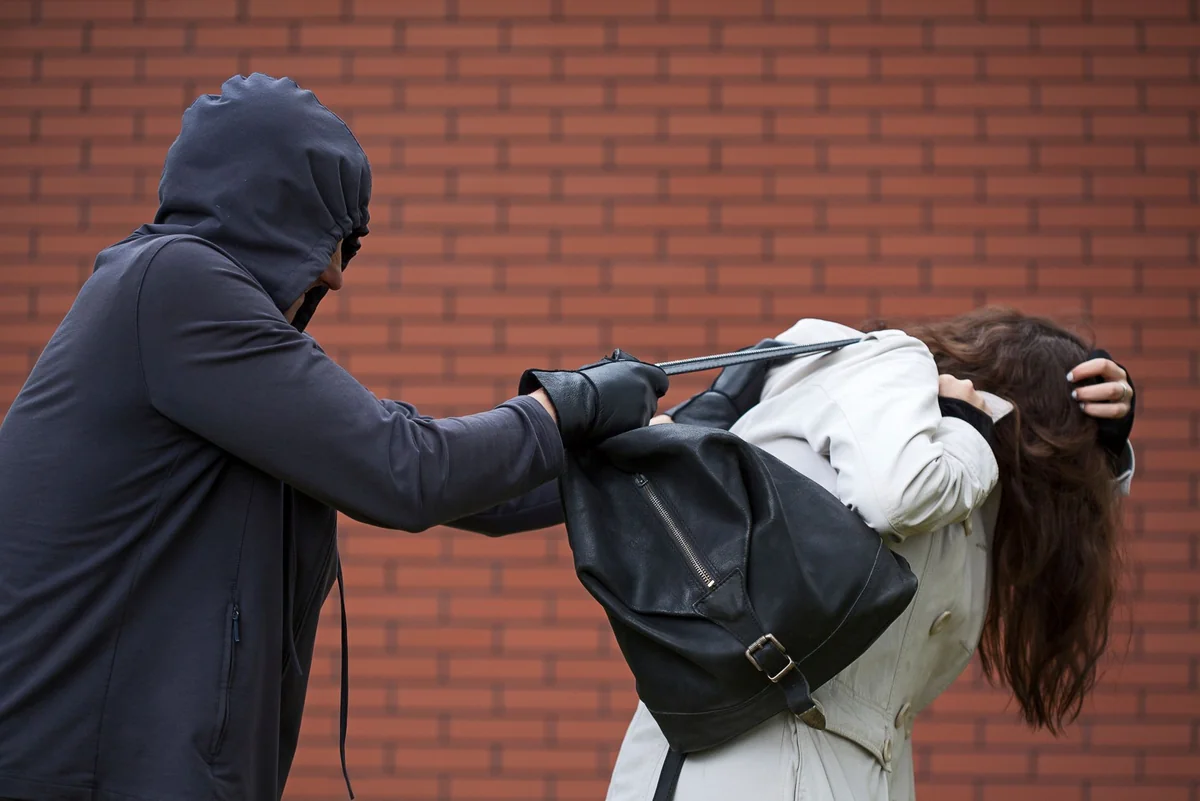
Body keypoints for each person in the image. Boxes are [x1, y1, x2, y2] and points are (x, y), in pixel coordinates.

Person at [0, 74, 670, 801]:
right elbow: (405, 469)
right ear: (267, 215)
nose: (335, 276)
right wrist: (566, 405)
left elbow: (466, 491)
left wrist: (670, 444)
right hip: (81, 772)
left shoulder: (196, 337)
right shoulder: (172, 283)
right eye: (326, 239)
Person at [606, 307, 1136, 801]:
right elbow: (896, 498)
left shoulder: (968, 487)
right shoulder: (890, 368)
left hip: (849, 770)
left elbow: (1049, 528)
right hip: (751, 759)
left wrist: (1108, 450)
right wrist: (970, 421)